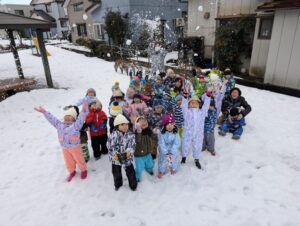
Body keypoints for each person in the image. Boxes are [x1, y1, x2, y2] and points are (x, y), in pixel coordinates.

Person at [34, 101, 89, 182]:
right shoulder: (60, 125)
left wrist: (84, 111)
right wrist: (44, 112)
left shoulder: (76, 126)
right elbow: (53, 119)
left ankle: (83, 170)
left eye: (69, 116)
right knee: (68, 161)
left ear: (74, 118)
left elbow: (81, 119)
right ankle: (72, 171)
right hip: (65, 148)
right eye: (66, 116)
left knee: (79, 159)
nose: (67, 117)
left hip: (75, 147)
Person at [107, 114, 138, 191]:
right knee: (116, 173)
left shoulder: (130, 134)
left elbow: (132, 145)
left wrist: (128, 153)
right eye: (122, 125)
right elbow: (110, 146)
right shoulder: (113, 135)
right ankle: (118, 184)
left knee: (131, 172)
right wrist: (116, 155)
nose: (125, 126)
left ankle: (133, 185)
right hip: (116, 159)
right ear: (117, 126)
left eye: (126, 124)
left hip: (127, 158)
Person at [181, 92, 211, 169]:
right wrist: (184, 97)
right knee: (185, 145)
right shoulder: (187, 112)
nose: (193, 104)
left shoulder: (202, 112)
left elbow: (206, 106)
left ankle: (196, 159)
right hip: (188, 133)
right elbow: (184, 106)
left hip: (198, 133)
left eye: (195, 103)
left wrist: (208, 96)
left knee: (197, 146)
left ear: (199, 104)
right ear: (189, 104)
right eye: (191, 103)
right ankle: (184, 157)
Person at [158, 114, 180, 178]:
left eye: (171, 124)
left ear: (173, 125)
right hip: (165, 150)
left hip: (173, 149)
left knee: (173, 159)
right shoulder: (162, 133)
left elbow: (177, 142)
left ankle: (173, 169)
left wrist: (173, 150)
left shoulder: (176, 133)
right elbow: (161, 143)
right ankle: (162, 170)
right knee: (163, 160)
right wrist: (165, 151)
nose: (169, 126)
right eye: (168, 125)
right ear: (165, 126)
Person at [134, 117, 154, 182]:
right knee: (139, 168)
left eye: (144, 121)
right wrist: (139, 131)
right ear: (137, 124)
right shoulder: (136, 133)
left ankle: (149, 169)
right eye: (141, 121)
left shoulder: (148, 131)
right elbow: (138, 140)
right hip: (139, 155)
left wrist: (155, 133)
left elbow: (154, 138)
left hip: (148, 153)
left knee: (150, 164)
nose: (143, 122)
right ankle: (137, 177)